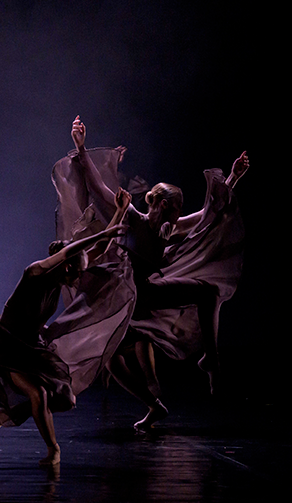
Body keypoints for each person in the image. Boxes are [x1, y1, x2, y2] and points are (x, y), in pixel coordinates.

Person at [68, 115, 248, 428]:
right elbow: (98, 187)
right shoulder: (134, 219)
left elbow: (209, 214)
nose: (180, 215)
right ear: (164, 206)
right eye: (177, 209)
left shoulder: (172, 225)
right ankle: (154, 406)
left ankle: (212, 361)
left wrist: (233, 178)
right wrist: (82, 149)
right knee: (111, 360)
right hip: (125, 299)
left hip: (147, 294)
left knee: (208, 291)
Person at [0, 192, 130, 465]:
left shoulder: (62, 277)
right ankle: (53, 450)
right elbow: (74, 251)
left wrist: (119, 213)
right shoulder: (34, 273)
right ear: (65, 265)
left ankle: (2, 413)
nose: (80, 277)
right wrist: (97, 235)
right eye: (77, 272)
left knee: (59, 397)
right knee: (38, 393)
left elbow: (97, 250)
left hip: (32, 346)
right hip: (7, 345)